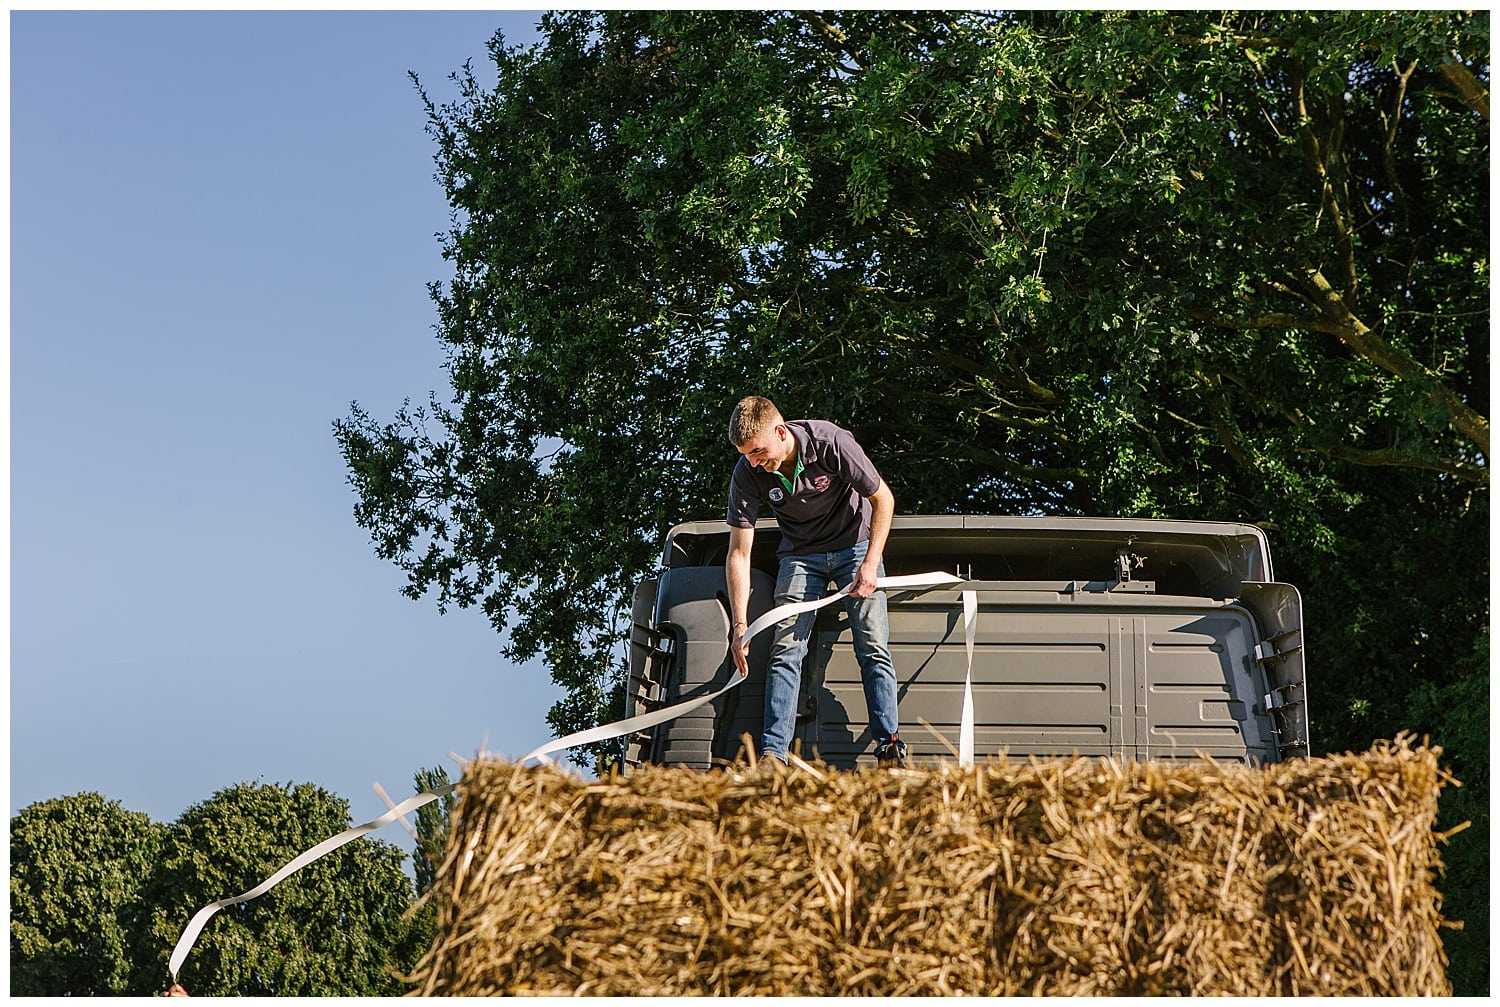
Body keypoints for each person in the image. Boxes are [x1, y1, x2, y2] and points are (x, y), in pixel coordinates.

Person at [724, 395, 907, 768]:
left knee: (872, 643)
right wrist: (740, 624)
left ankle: (889, 745)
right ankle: (774, 756)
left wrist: (871, 564)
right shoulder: (748, 472)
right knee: (785, 649)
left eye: (758, 451)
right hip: (799, 556)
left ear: (780, 431)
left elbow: (883, 499)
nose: (754, 461)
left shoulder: (829, 442)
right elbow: (739, 553)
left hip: (854, 546)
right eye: (747, 455)